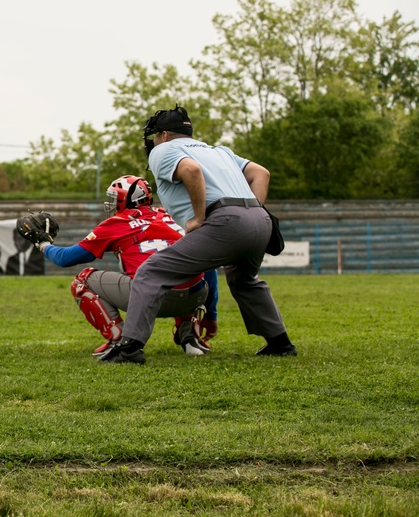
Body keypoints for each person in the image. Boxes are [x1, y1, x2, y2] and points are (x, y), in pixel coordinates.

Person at [100, 105, 296, 364]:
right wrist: (254, 211)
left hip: (224, 220)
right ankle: (280, 343)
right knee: (245, 280)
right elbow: (261, 173)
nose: (154, 142)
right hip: (260, 219)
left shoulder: (163, 150)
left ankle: (130, 347)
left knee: (151, 271)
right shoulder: (218, 151)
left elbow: (191, 171)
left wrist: (199, 217)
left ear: (165, 135)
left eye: (155, 136)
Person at [31, 175, 216, 357]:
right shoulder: (171, 216)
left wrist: (43, 244)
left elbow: (65, 258)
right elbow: (208, 265)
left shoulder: (118, 223)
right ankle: (190, 335)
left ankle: (118, 337)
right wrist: (211, 315)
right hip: (194, 296)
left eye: (114, 198)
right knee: (188, 268)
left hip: (150, 297)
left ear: (124, 199)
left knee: (83, 280)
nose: (111, 204)